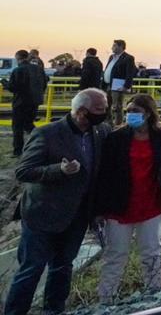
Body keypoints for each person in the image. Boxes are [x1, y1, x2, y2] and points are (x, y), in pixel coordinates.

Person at [4, 88, 109, 315]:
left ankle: (54, 311)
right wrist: (58, 170)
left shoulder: (100, 131)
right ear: (81, 112)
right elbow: (24, 171)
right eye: (100, 110)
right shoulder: (47, 134)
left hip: (78, 214)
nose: (105, 113)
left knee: (62, 267)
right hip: (43, 214)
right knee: (31, 269)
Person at [95, 93, 161, 303]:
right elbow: (105, 174)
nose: (131, 115)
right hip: (119, 205)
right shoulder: (116, 138)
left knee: (152, 251)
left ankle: (154, 293)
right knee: (116, 254)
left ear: (148, 113)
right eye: (128, 111)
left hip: (151, 203)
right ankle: (107, 297)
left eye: (136, 111)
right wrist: (99, 208)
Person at [8, 50, 44, 157]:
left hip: (20, 102)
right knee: (28, 124)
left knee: (17, 126)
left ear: (18, 57)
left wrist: (5, 83)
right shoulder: (38, 69)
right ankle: (42, 140)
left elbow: (13, 87)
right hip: (35, 101)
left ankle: (18, 151)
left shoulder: (18, 70)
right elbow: (44, 84)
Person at [104, 40, 136, 126]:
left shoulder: (128, 58)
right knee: (106, 105)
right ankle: (108, 124)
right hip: (108, 85)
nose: (112, 48)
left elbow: (130, 73)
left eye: (114, 46)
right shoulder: (111, 57)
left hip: (118, 86)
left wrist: (126, 86)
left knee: (117, 107)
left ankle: (118, 125)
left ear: (121, 46)